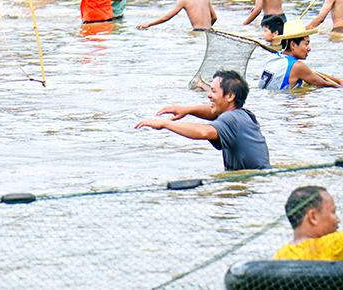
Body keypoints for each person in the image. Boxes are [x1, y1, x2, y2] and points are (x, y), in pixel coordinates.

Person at [135, 70, 270, 171]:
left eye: (214, 91)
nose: (209, 95)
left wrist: (165, 124)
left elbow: (205, 132)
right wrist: (188, 110)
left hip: (252, 180)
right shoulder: (243, 115)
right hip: (259, 180)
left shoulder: (231, 119)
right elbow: (214, 114)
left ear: (229, 96)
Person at [258, 20, 343, 90]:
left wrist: (337, 80)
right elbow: (326, 84)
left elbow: (311, 73)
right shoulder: (298, 66)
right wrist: (339, 86)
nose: (309, 48)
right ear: (293, 45)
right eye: (306, 44)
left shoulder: (275, 56)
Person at [274, 187, 343, 260]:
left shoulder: (280, 255)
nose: (338, 220)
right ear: (313, 217)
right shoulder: (336, 242)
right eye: (333, 212)